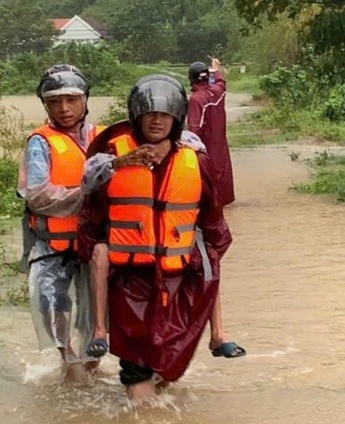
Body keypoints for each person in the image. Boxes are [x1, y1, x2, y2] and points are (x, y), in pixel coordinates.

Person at [78, 74, 235, 401]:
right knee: (135, 366)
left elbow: (214, 224)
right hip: (129, 281)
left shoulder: (195, 160)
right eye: (150, 113)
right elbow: (91, 207)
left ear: (176, 117)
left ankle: (214, 338)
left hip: (179, 281)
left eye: (165, 114)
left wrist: (203, 257)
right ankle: (141, 405)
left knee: (168, 365)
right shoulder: (112, 155)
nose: (157, 120)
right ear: (136, 115)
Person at [17, 64, 110, 374]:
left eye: (71, 100)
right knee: (52, 307)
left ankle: (92, 369)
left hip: (95, 243)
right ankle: (67, 367)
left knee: (96, 312)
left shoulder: (102, 137)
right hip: (52, 244)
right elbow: (39, 195)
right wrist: (84, 193)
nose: (64, 108)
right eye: (55, 102)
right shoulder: (40, 142)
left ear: (85, 100)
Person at [187, 58, 235, 207]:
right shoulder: (217, 91)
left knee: (206, 176)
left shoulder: (196, 99)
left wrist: (189, 148)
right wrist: (217, 69)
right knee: (221, 172)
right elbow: (222, 83)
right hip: (220, 144)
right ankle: (223, 201)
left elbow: (195, 128)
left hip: (205, 146)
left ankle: (211, 204)